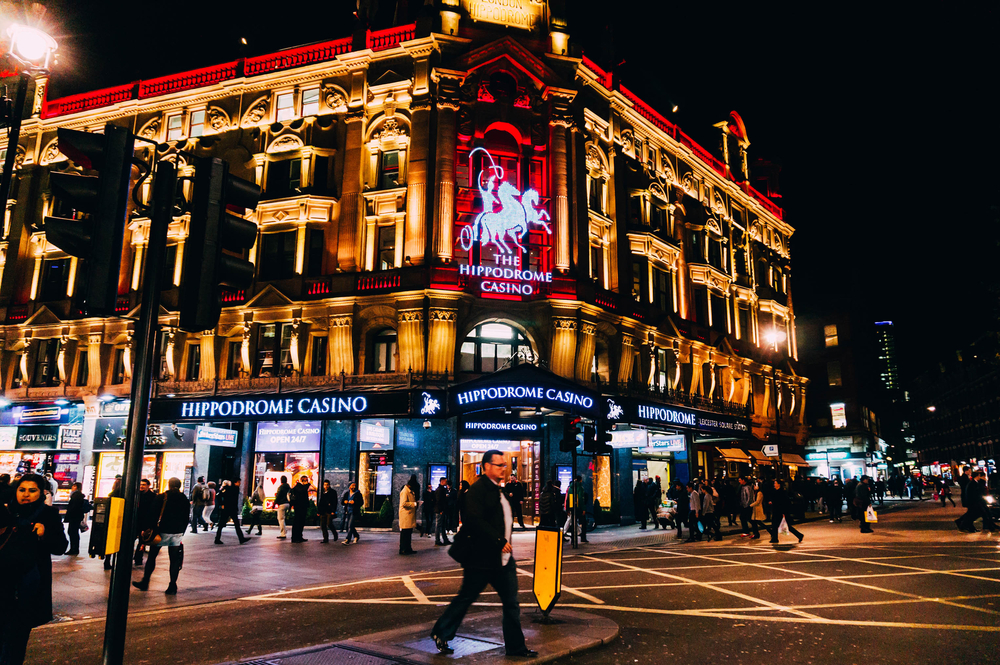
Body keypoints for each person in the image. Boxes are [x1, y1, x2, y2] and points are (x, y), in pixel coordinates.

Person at [430, 450, 536, 658]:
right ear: (486, 466)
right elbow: (475, 521)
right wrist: (498, 540)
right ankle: (441, 632)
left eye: (504, 465)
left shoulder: (500, 490)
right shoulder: (478, 490)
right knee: (466, 597)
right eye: (499, 465)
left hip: (503, 560)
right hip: (480, 559)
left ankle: (516, 648)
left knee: (511, 603)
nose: (503, 469)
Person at [0, 473, 67, 663]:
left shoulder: (49, 515)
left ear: (41, 493)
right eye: (22, 490)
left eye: (32, 490)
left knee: (16, 639)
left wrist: (45, 534)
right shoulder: (5, 513)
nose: (26, 494)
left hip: (28, 586)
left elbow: (61, 547)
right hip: (3, 583)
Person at [132, 478, 190, 595]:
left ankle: (145, 581)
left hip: (161, 531)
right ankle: (172, 585)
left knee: (152, 556)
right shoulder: (184, 499)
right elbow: (186, 517)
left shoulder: (162, 497)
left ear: (169, 485)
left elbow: (152, 514)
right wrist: (182, 531)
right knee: (174, 560)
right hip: (177, 532)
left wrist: (147, 528)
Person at [214, 479, 249, 545]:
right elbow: (220, 495)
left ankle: (217, 538)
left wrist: (222, 504)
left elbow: (219, 495)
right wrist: (222, 504)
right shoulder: (234, 489)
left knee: (222, 524)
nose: (240, 483)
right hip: (231, 508)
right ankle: (241, 538)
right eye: (239, 482)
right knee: (236, 524)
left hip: (227, 508)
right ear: (235, 482)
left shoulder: (227, 489)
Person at [133, 479, 157, 566]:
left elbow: (153, 511)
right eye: (140, 485)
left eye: (143, 485)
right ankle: (135, 557)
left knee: (142, 542)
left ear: (148, 485)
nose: (141, 486)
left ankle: (138, 558)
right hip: (136, 521)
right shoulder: (136, 495)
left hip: (146, 522)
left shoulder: (153, 496)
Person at [63, 482, 90, 556]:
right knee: (74, 532)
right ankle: (75, 548)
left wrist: (69, 515)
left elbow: (73, 507)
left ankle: (74, 549)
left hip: (74, 517)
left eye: (73, 486)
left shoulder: (75, 495)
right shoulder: (79, 495)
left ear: (76, 487)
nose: (72, 487)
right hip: (77, 517)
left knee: (72, 532)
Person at [399, 474, 419, 555]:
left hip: (409, 515)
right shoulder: (405, 491)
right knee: (405, 533)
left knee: (408, 532)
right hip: (406, 515)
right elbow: (403, 503)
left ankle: (408, 548)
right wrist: (414, 504)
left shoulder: (410, 491)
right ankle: (403, 549)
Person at [290, 475, 312, 543]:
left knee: (301, 522)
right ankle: (295, 537)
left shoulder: (301, 487)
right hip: (299, 507)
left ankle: (299, 536)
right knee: (297, 522)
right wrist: (307, 485)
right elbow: (302, 491)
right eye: (305, 481)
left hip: (302, 507)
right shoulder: (298, 486)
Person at [434, 477, 451, 546]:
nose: (446, 482)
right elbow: (439, 501)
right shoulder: (440, 490)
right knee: (439, 525)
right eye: (445, 481)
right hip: (440, 510)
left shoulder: (441, 489)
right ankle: (437, 540)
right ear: (442, 481)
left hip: (441, 510)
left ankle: (445, 539)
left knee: (442, 525)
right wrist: (440, 510)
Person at [274, 476, 291, 540]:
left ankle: (283, 533)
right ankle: (284, 531)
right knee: (283, 518)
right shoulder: (288, 487)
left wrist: (275, 503)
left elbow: (278, 496)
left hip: (282, 504)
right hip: (288, 503)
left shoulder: (281, 487)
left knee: (280, 519)